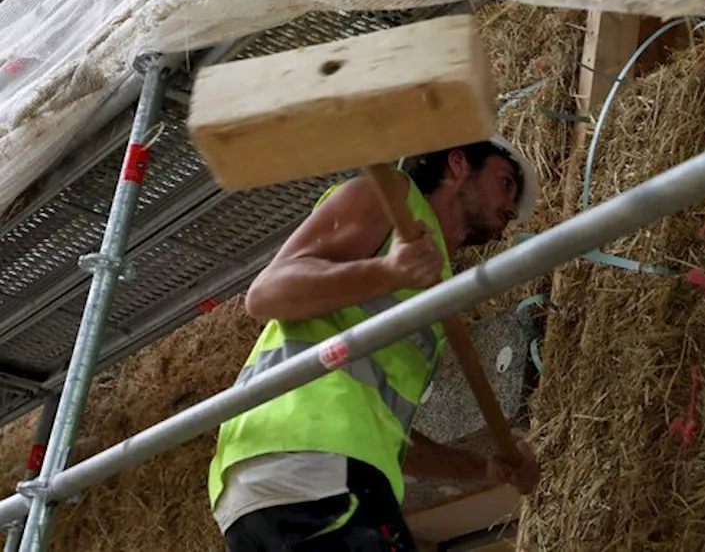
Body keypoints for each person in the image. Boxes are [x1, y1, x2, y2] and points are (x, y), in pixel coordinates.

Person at [207, 135, 542, 551]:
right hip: (311, 461)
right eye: (505, 183)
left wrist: (485, 469)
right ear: (458, 165)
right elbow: (265, 294)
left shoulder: (432, 287)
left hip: (282, 485)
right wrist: (389, 273)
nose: (511, 210)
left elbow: (386, 429)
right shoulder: (395, 197)